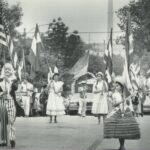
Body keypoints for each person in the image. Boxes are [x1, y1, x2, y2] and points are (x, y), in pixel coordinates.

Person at [104, 81, 141, 150]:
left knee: (124, 130)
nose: (116, 87)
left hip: (126, 112)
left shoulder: (125, 94)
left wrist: (128, 100)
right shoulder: (114, 94)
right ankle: (121, 146)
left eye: (118, 85)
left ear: (121, 87)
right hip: (118, 112)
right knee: (120, 130)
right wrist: (122, 101)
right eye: (116, 86)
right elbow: (114, 104)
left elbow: (128, 103)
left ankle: (122, 145)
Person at [0, 63, 18, 148]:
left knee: (11, 121)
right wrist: (1, 93)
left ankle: (12, 139)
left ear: (11, 70)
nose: (7, 71)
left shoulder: (14, 79)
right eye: (5, 69)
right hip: (2, 102)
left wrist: (9, 81)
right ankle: (3, 140)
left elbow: (15, 88)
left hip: (11, 102)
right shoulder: (0, 79)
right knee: (3, 122)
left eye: (8, 69)